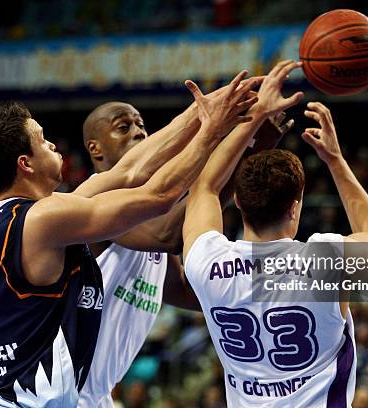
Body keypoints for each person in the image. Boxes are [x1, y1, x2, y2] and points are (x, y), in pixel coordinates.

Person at [0, 70, 259, 407]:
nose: (52, 144)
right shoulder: (44, 218)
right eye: (42, 140)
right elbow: (160, 196)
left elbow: (128, 172)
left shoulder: (23, 216)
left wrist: (202, 110)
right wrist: (214, 131)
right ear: (25, 164)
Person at [182, 69, 368, 408]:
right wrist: (335, 161)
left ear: (237, 201)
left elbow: (204, 186)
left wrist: (256, 116)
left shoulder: (208, 261)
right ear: (295, 208)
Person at [78, 84, 294, 407]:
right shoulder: (93, 206)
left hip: (95, 396)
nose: (138, 132)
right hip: (60, 392)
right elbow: (170, 232)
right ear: (95, 149)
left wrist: (271, 284)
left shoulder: (146, 224)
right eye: (124, 127)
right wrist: (247, 143)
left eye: (140, 124)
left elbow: (189, 288)